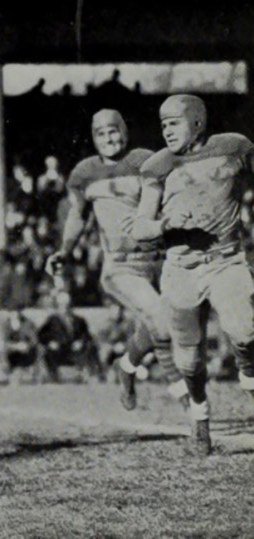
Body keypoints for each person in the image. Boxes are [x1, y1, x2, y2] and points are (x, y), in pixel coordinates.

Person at [129, 94, 254, 455]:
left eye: (174, 122)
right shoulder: (157, 166)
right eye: (162, 123)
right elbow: (139, 226)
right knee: (188, 358)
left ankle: (247, 369)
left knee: (245, 331)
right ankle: (200, 418)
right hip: (181, 267)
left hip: (226, 259)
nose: (166, 130)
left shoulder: (234, 147)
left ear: (197, 122)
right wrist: (165, 222)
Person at [45, 109, 186, 411]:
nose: (109, 139)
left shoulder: (145, 160)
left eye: (114, 131)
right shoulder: (84, 173)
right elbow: (77, 216)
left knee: (156, 325)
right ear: (94, 138)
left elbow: (172, 197)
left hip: (159, 260)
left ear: (125, 131)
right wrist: (65, 251)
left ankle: (126, 367)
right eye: (101, 133)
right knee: (160, 318)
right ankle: (187, 398)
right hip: (121, 266)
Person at [36, 292, 101, 383]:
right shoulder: (52, 320)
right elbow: (40, 335)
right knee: (48, 353)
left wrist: (81, 342)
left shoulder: (79, 321)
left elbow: (87, 335)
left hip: (74, 351)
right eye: (62, 305)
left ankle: (92, 375)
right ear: (58, 306)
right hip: (58, 351)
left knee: (90, 348)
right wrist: (50, 342)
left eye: (67, 304)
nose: (65, 308)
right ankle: (53, 378)